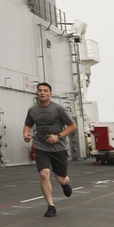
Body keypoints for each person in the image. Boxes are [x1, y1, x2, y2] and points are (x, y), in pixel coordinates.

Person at [23, 82, 76, 217]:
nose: (42, 93)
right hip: (41, 146)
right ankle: (51, 206)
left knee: (60, 178)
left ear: (50, 93)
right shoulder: (32, 110)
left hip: (58, 148)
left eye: (45, 91)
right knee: (44, 174)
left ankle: (65, 183)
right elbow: (28, 125)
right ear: (37, 93)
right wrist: (26, 134)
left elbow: (72, 126)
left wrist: (58, 136)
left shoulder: (58, 109)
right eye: (40, 90)